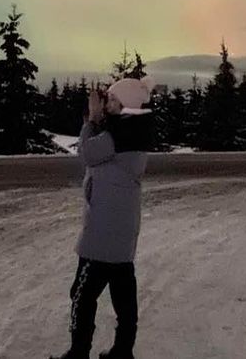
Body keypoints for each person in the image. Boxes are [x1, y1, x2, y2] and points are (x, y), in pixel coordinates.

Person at [51, 76, 154, 359]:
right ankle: (123, 352)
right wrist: (99, 119)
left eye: (112, 100)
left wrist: (91, 119)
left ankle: (78, 352)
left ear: (125, 106)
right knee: (124, 299)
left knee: (81, 297)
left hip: (100, 239)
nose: (107, 104)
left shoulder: (118, 136)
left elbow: (86, 153)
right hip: (121, 237)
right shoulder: (133, 131)